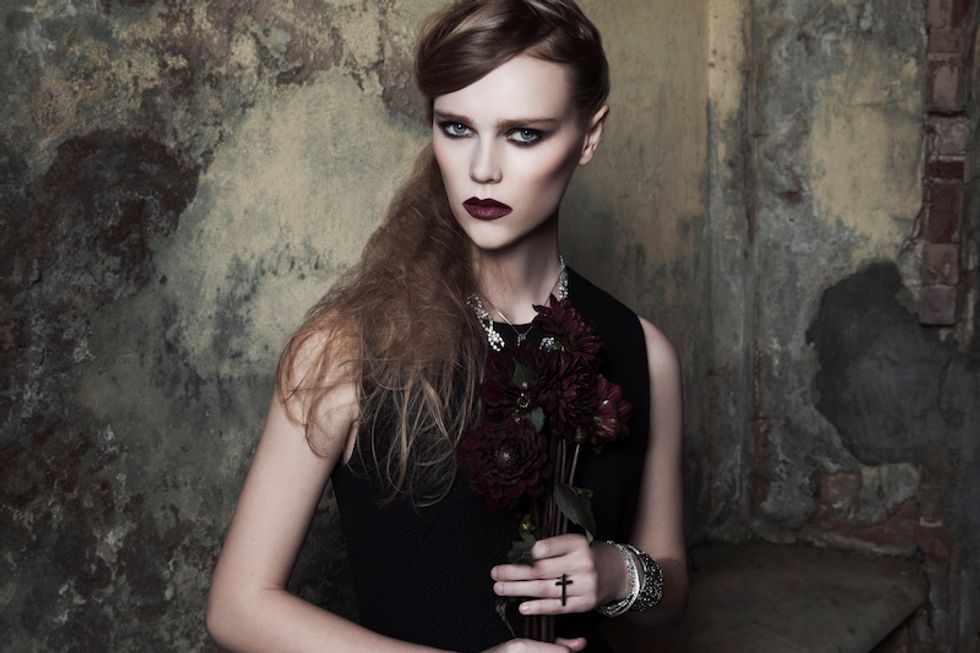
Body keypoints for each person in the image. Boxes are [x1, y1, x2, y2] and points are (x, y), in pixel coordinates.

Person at [205, 1, 687, 651]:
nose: (482, 169)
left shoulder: (643, 350)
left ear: (589, 135)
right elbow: (237, 607)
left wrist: (620, 573)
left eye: (523, 134)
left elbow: (667, 600)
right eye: (456, 127)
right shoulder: (344, 347)